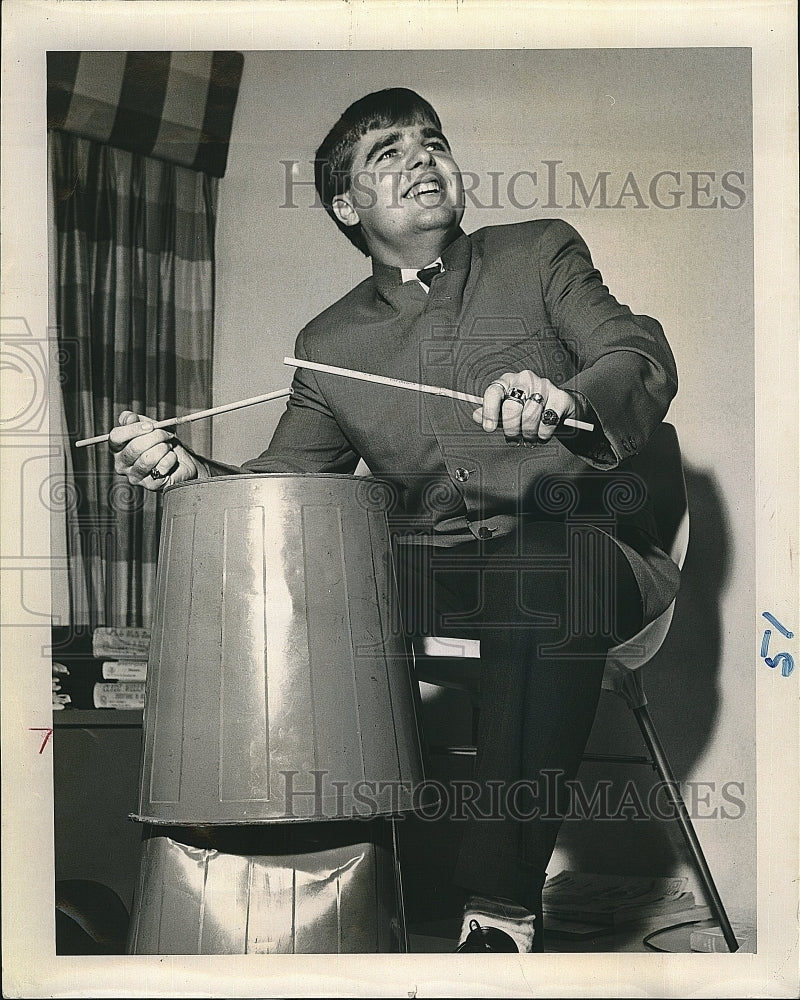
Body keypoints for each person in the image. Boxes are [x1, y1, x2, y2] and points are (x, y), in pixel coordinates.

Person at [110, 88, 680, 953]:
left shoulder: (539, 252)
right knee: (303, 579)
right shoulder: (329, 343)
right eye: (388, 154)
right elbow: (285, 492)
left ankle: (499, 912)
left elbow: (635, 352)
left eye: (432, 142)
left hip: (586, 559)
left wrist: (564, 397)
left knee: (545, 558)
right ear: (347, 205)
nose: (421, 158)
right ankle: (307, 886)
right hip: (440, 573)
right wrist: (188, 471)